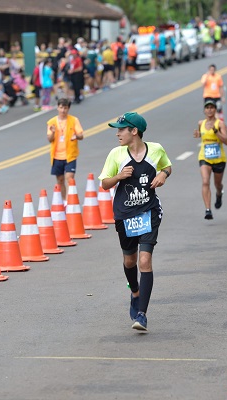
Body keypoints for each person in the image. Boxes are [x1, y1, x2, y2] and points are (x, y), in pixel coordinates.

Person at [99, 112, 172, 331]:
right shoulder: (116, 154)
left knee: (144, 261)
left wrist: (163, 175)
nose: (117, 133)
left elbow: (167, 166)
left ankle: (142, 314)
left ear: (134, 131)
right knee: (130, 262)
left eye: (121, 129)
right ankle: (135, 291)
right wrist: (119, 177)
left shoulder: (156, 150)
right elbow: (104, 183)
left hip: (149, 212)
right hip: (125, 214)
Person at [193, 100, 227, 220]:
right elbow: (201, 135)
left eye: (212, 108)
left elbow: (226, 141)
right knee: (205, 181)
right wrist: (198, 134)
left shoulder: (220, 124)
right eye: (207, 108)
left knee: (217, 184)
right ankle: (208, 210)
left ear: (215, 110)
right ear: (204, 110)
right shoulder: (201, 123)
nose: (209, 110)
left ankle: (219, 193)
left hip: (219, 158)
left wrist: (216, 132)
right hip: (205, 157)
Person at [46, 98, 84, 200]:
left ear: (68, 108)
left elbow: (81, 135)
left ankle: (69, 201)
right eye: (61, 107)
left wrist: (76, 136)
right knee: (60, 180)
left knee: (69, 179)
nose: (63, 110)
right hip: (56, 156)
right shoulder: (51, 122)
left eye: (65, 108)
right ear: (58, 108)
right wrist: (53, 132)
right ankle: (64, 201)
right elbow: (49, 139)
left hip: (70, 155)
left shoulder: (74, 120)